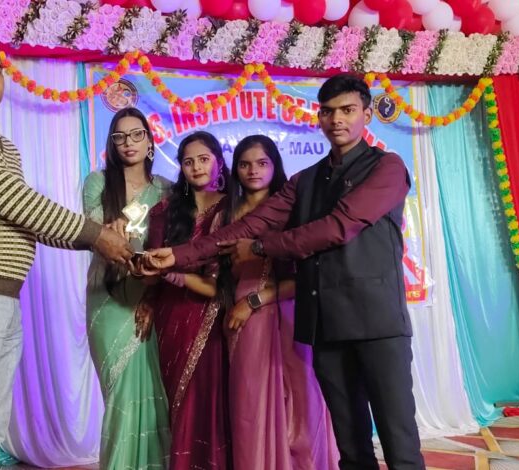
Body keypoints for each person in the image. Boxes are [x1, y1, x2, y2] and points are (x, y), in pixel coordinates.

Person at [144, 74, 425, 470]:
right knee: (351, 446)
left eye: (347, 110)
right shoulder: (305, 180)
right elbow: (245, 227)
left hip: (377, 322)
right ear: (319, 117)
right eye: (328, 111)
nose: (337, 120)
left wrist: (260, 248)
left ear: (366, 115)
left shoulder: (387, 168)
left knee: (399, 443)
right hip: (326, 324)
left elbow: (337, 227)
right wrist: (175, 256)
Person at [0, 37, 131, 470]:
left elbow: (23, 218)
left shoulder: (2, 144)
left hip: (0, 297)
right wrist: (96, 236)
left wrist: (96, 238)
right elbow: (14, 201)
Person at [219, 135, 338, 470]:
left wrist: (255, 300)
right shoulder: (228, 214)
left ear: (275, 165)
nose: (253, 171)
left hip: (288, 310)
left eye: (262, 163)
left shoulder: (294, 211)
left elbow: (306, 277)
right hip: (244, 321)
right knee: (251, 404)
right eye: (244, 164)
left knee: (302, 402)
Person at [83, 107, 172, 468]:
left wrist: (152, 295)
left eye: (137, 134)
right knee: (119, 390)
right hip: (107, 296)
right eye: (120, 136)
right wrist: (109, 230)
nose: (128, 143)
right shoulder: (98, 183)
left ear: (150, 142)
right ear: (112, 144)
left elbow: (171, 247)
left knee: (156, 387)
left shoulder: (166, 189)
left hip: (151, 294)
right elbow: (91, 232)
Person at [138, 131, 232, 469]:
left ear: (218, 161)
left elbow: (228, 275)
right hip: (173, 313)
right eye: (188, 161)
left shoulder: (233, 208)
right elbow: (153, 264)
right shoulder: (166, 210)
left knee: (213, 394)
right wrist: (148, 294)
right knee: (178, 396)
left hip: (217, 313)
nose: (196, 167)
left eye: (203, 159)